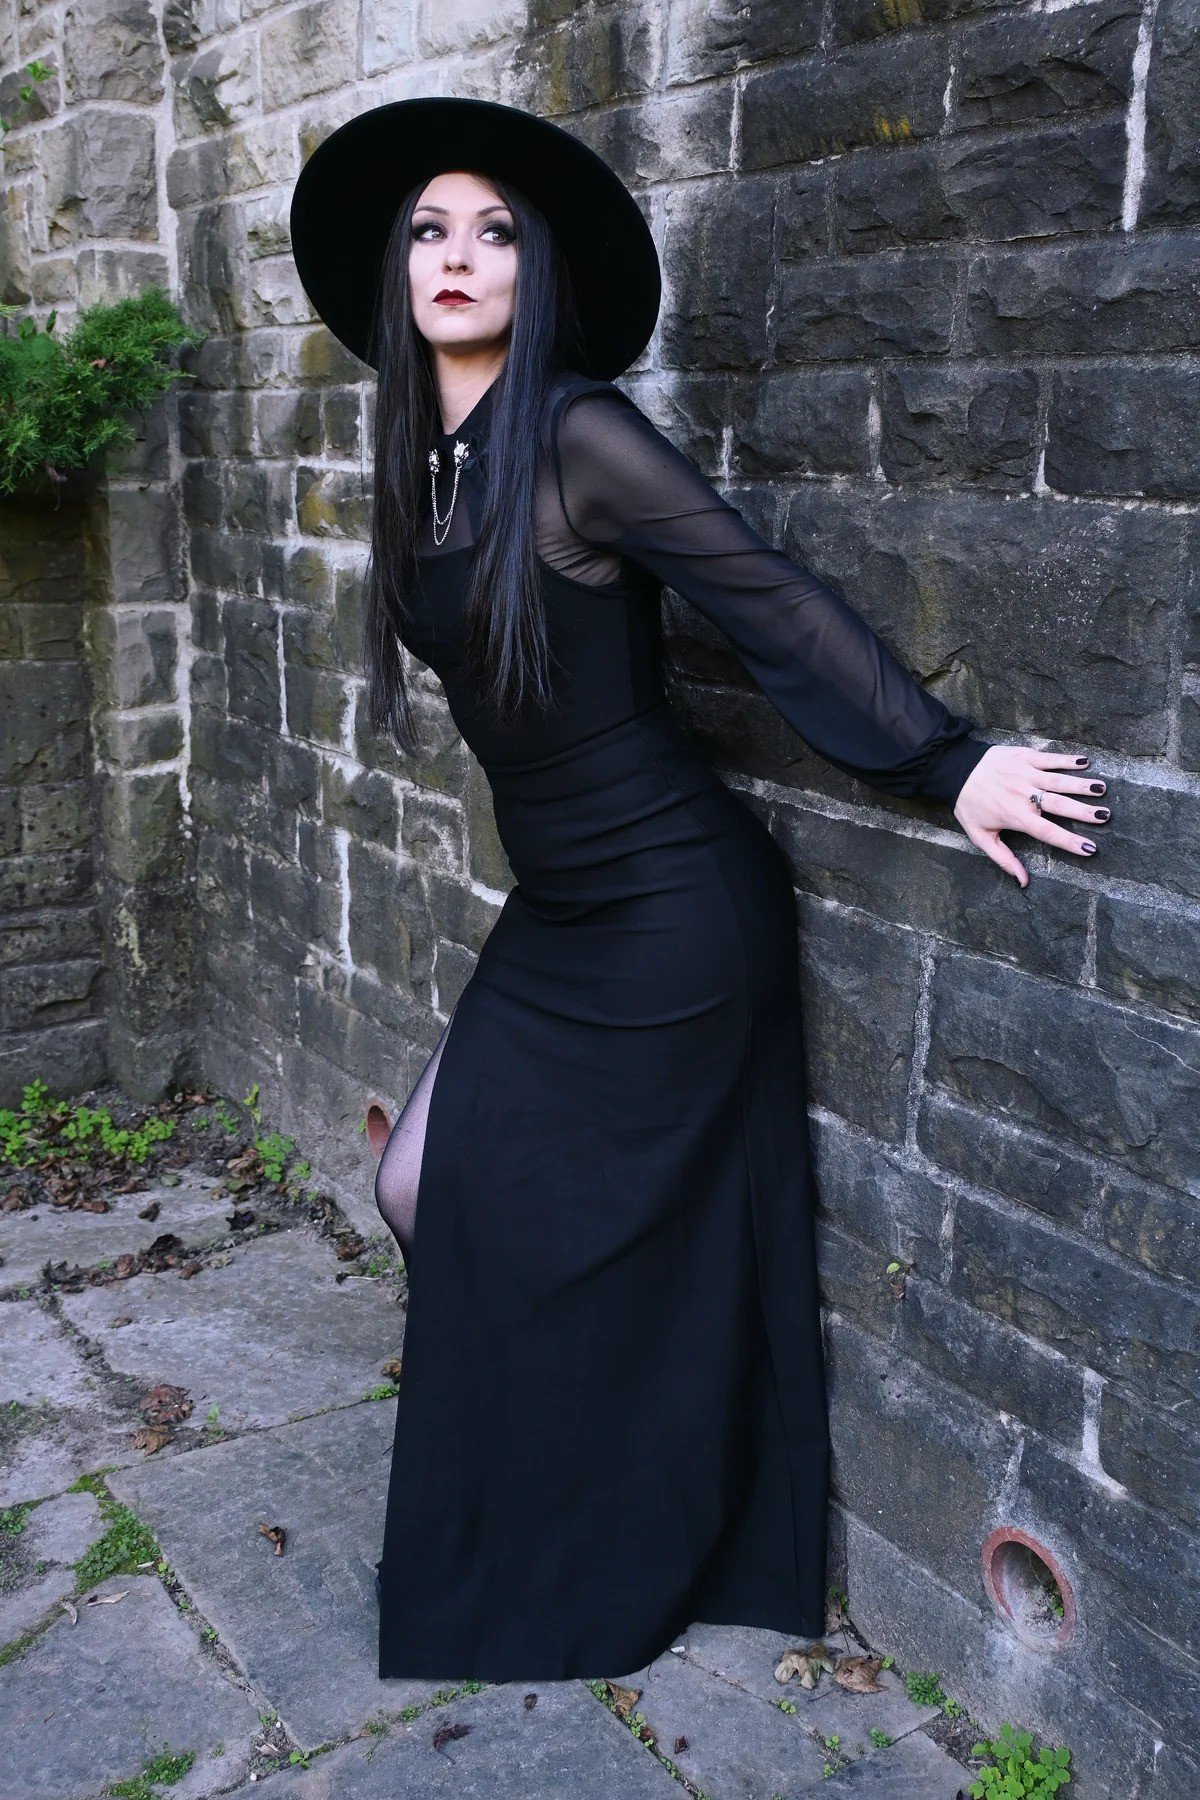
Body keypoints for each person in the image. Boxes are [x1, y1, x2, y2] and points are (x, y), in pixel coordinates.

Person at [289, 98, 1112, 1683]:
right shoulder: (424, 464)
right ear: (395, 272)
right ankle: (568, 1496)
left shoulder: (576, 436)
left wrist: (947, 762)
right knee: (422, 1187)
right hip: (563, 910)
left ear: (537, 274)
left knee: (506, 1204)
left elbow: (761, 591)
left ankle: (617, 1529)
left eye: (495, 233)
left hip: (672, 911)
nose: (457, 257)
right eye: (428, 232)